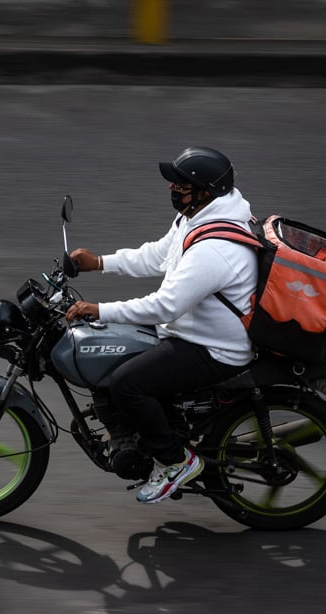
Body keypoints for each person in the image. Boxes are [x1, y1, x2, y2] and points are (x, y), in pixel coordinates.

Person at [64, 146, 258, 504]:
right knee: (115, 356)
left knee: (127, 383)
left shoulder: (214, 249)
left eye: (180, 184)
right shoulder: (196, 217)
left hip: (213, 347)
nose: (172, 189)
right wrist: (99, 263)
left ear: (204, 191)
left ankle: (176, 460)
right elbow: (157, 255)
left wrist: (99, 310)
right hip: (192, 329)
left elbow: (166, 305)